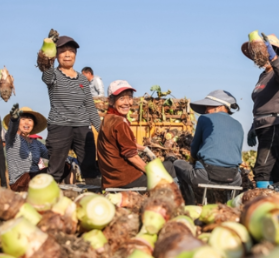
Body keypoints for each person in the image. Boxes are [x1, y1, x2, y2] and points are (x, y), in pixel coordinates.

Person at [39, 31, 101, 184]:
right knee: (55, 170)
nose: (67, 54)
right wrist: (48, 47)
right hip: (59, 127)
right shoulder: (52, 75)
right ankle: (51, 203)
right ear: (56, 54)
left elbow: (90, 107)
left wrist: (102, 130)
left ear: (76, 54)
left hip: (82, 128)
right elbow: (45, 68)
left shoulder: (82, 79)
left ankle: (94, 199)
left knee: (90, 168)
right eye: (62, 51)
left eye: (71, 51)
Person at [97, 80, 176, 189]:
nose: (127, 102)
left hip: (111, 180)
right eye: (121, 98)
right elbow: (131, 156)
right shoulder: (119, 123)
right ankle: (182, 203)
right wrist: (152, 173)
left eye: (129, 97)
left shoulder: (107, 119)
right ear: (110, 101)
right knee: (173, 166)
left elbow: (124, 143)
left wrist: (144, 148)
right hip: (127, 180)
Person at [242, 33, 279, 188]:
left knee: (262, 168)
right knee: (274, 169)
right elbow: (260, 105)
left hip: (274, 124)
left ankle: (262, 204)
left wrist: (271, 53)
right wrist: (253, 127)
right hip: (263, 125)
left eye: (267, 52)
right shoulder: (262, 76)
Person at [174, 90, 243, 205]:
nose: (206, 111)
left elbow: (194, 151)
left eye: (208, 107)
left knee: (177, 164)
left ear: (220, 106)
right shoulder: (238, 124)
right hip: (234, 179)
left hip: (205, 176)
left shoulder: (204, 119)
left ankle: (188, 206)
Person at [4, 104, 48, 191]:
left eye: (30, 120)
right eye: (23, 119)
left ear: (33, 124)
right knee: (33, 176)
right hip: (20, 182)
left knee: (65, 165)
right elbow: (11, 131)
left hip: (35, 179)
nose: (27, 122)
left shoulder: (37, 143)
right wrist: (14, 119)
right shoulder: (13, 138)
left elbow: (51, 155)